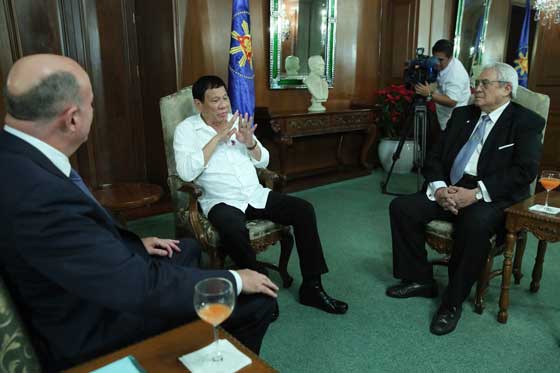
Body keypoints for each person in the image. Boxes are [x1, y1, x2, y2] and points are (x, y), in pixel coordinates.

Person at [0, 54, 279, 372]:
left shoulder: (16, 156)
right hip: (90, 325)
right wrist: (235, 278)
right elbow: (140, 287)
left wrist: (131, 244)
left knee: (186, 249)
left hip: (82, 279)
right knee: (257, 301)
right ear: (72, 118)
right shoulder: (38, 195)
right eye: (92, 105)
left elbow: (72, 239)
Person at [387, 62, 544, 335]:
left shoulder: (526, 122)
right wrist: (439, 189)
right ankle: (420, 280)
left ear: (506, 89)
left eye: (484, 83)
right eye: (477, 82)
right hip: (451, 185)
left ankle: (452, 302)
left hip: (492, 194)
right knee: (402, 207)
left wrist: (475, 193)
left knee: (474, 224)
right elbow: (434, 156)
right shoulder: (462, 115)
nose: (476, 88)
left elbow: (524, 171)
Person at [173, 75, 348, 316]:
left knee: (303, 210)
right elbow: (185, 172)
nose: (223, 105)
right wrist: (217, 138)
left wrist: (250, 143)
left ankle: (313, 286)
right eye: (215, 100)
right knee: (233, 229)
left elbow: (264, 159)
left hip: (255, 194)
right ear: (198, 105)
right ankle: (260, 294)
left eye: (225, 98)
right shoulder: (187, 130)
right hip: (221, 200)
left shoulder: (237, 121)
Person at [415, 39, 471, 131]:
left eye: (440, 60)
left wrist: (429, 94)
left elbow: (452, 101)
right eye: (435, 59)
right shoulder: (439, 65)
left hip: (454, 121)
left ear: (450, 58)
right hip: (441, 115)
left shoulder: (456, 74)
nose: (437, 63)